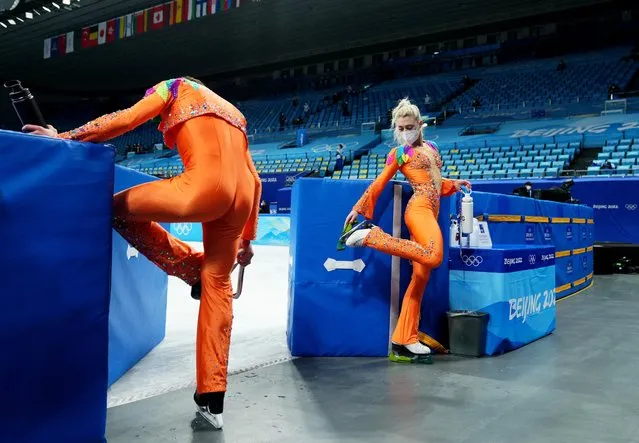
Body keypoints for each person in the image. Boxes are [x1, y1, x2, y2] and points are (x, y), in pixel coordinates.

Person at [22, 76, 262, 429]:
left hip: (203, 189)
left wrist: (64, 138)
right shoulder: (234, 112)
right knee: (218, 284)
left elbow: (127, 119)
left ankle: (187, 268)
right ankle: (213, 398)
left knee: (116, 209)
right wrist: (248, 238)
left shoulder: (174, 87)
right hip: (240, 202)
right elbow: (255, 180)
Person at [341, 98, 470, 364]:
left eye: (409, 127)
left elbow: (434, 182)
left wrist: (451, 184)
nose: (404, 133)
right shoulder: (400, 154)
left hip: (431, 210)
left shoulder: (432, 148)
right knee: (433, 256)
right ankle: (372, 237)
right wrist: (358, 207)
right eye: (399, 128)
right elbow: (380, 181)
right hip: (419, 211)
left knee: (419, 280)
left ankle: (404, 339)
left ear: (420, 125)